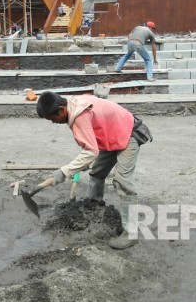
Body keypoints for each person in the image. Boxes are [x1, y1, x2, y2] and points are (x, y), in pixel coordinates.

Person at [32, 91, 153, 250]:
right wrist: (77, 165)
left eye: (53, 119)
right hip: (112, 134)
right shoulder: (72, 104)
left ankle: (131, 233)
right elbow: (91, 148)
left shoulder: (79, 115)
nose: (54, 122)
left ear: (61, 110)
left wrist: (64, 172)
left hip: (129, 133)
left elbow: (90, 152)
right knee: (97, 172)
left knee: (123, 182)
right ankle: (94, 205)